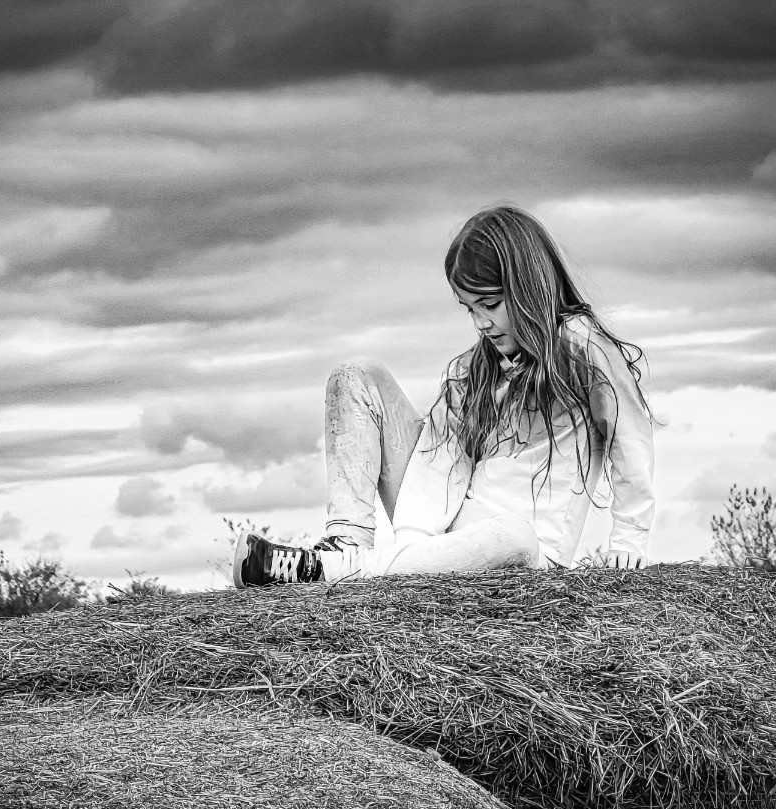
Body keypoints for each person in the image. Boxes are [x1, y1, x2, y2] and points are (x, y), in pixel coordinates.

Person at [233, 204, 654, 589]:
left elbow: (630, 437)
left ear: (529, 287)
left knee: (513, 533)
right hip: (445, 539)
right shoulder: (472, 370)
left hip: (524, 553)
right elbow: (438, 463)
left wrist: (630, 541)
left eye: (490, 304)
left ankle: (331, 571)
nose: (481, 323)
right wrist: (414, 550)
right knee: (357, 375)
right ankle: (346, 546)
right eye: (470, 308)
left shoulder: (584, 348)